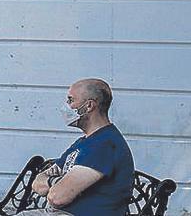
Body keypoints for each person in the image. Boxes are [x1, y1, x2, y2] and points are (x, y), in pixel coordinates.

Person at [24, 78, 134, 216]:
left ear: (88, 106)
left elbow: (57, 198)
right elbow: (37, 183)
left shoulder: (103, 145)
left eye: (70, 100)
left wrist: (54, 182)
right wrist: (58, 183)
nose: (66, 106)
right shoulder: (84, 143)